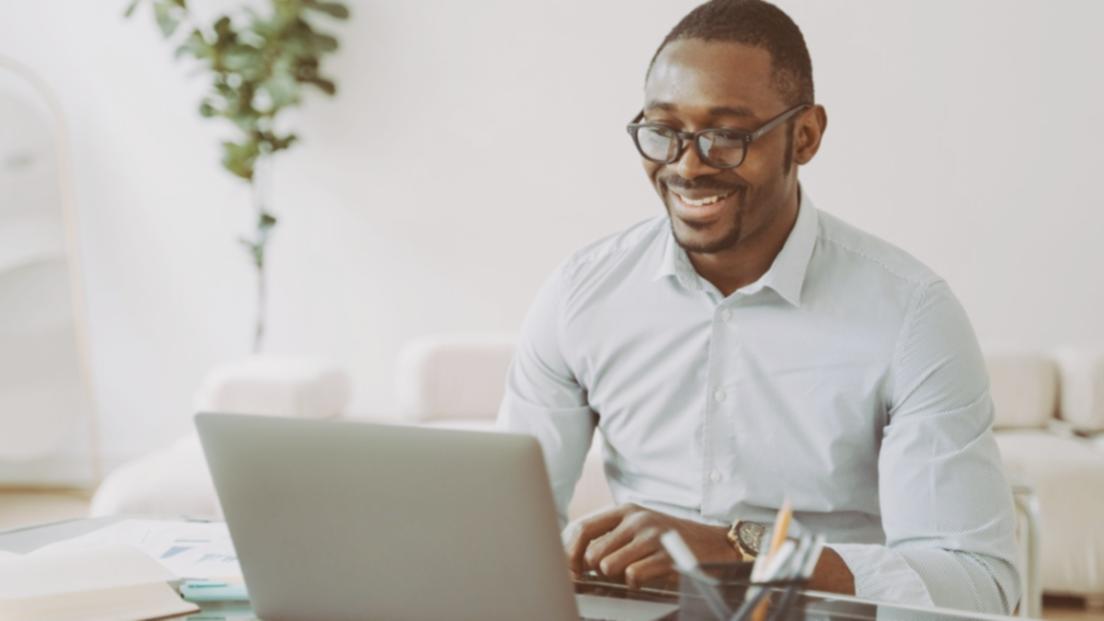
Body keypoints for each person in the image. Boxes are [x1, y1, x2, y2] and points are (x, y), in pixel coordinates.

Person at [497, 0, 1019, 614]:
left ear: (806, 135)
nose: (688, 166)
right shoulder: (581, 293)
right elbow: (503, 527)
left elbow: (975, 586)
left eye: (726, 136)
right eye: (664, 131)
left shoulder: (911, 315)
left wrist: (740, 551)